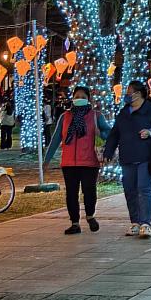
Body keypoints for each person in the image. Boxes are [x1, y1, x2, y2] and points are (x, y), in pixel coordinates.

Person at [104, 80, 151, 238]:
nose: (126, 95)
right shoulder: (124, 113)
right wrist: (108, 151)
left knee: (144, 189)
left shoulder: (150, 110)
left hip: (146, 156)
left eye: (129, 91)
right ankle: (135, 221)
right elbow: (115, 133)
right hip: (127, 157)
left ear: (138, 94)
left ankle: (145, 223)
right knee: (130, 190)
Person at [44, 87, 112, 234]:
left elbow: (109, 132)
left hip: (89, 161)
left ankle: (90, 216)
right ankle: (75, 223)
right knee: (71, 193)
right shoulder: (65, 116)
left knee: (89, 191)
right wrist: (47, 160)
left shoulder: (96, 115)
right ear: (72, 98)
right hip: (69, 162)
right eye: (76, 96)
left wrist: (101, 133)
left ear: (88, 99)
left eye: (82, 96)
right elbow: (56, 139)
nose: (79, 98)